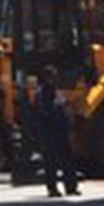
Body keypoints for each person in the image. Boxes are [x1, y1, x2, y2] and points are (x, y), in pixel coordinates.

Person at [36, 65, 80, 198]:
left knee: (65, 160)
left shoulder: (54, 91)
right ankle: (54, 189)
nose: (54, 78)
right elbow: (47, 112)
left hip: (59, 130)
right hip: (51, 131)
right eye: (52, 76)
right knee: (52, 161)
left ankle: (70, 187)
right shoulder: (44, 92)